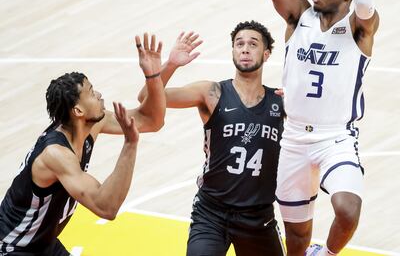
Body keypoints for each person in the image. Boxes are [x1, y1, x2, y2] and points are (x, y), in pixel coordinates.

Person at [267, 0, 379, 256]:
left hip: (336, 139)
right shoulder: (300, 17)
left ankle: (328, 254)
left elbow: (366, 3)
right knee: (296, 238)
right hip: (294, 138)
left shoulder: (360, 28)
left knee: (347, 210)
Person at [0, 34, 166, 256]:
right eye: (91, 92)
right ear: (78, 111)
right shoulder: (55, 155)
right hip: (13, 247)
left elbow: (152, 120)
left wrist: (153, 75)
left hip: (43, 244)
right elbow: (106, 207)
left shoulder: (89, 125)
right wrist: (130, 143)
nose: (98, 94)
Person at [139, 23, 286, 256]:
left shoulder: (281, 100)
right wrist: (171, 65)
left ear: (266, 54)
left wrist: (302, 101)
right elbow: (146, 97)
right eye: (239, 44)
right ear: (233, 52)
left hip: (257, 217)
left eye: (253, 44)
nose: (245, 49)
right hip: (211, 213)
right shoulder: (211, 92)